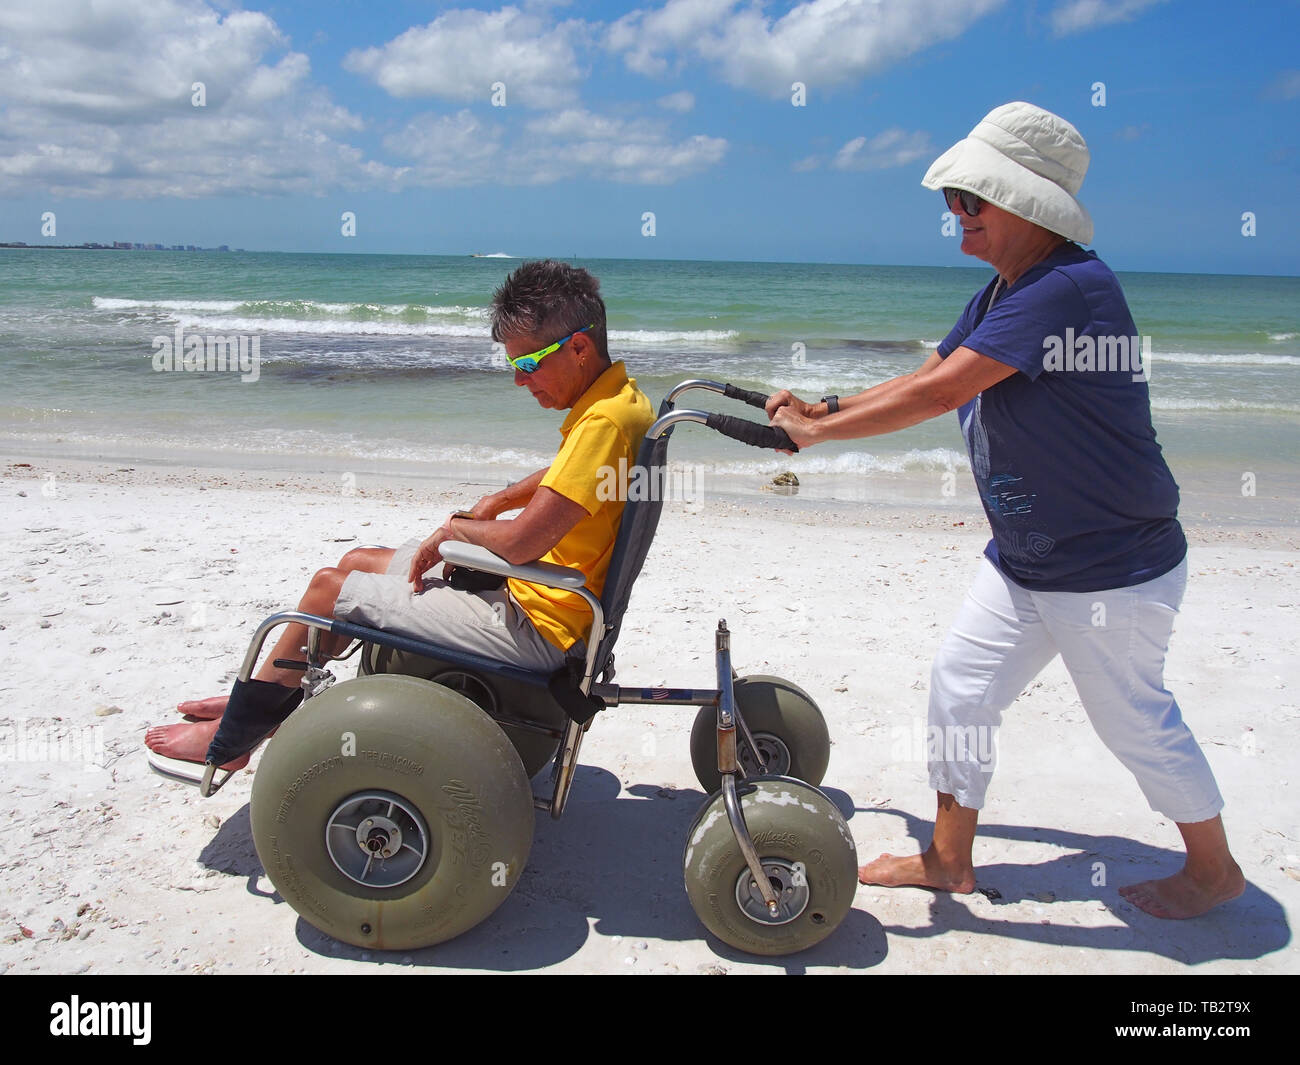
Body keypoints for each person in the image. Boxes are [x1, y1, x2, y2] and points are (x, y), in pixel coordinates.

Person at [765, 102, 1244, 920]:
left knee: (1135, 723)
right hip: (1028, 559)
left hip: (1110, 568)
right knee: (961, 686)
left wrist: (818, 435)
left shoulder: (1069, 289)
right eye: (953, 200)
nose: (955, 216)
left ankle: (1214, 869)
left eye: (970, 202)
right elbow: (935, 366)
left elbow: (943, 393)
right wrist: (826, 404)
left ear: (1023, 205)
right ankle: (949, 858)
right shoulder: (1007, 289)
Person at [146, 259, 654, 771]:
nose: (520, 383)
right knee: (358, 559)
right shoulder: (622, 403)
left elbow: (522, 544)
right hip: (548, 601)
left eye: (527, 365)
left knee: (328, 587)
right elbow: (569, 472)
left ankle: (235, 739)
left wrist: (455, 531)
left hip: (538, 624)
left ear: (579, 348)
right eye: (512, 367)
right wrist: (498, 501)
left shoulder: (602, 423)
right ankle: (266, 698)